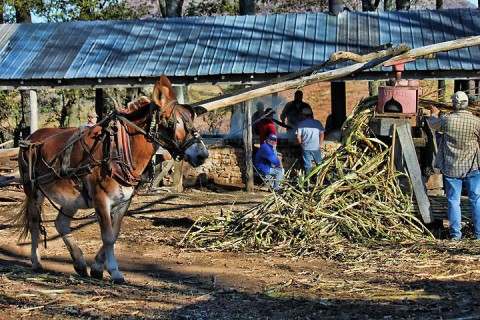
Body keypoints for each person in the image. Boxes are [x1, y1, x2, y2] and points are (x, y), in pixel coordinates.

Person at [428, 91, 480, 240]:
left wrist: (434, 113)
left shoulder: (447, 120)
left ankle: (456, 235)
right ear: (468, 105)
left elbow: (432, 125)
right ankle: (479, 235)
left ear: (454, 105)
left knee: (453, 201)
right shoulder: (476, 122)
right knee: (476, 200)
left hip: (452, 167)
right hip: (472, 166)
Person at [296, 108, 325, 174]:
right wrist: (320, 144)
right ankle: (320, 177)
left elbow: (298, 137)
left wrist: (302, 144)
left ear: (303, 115)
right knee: (320, 164)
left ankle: (308, 180)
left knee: (307, 165)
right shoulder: (317, 123)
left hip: (306, 147)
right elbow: (322, 134)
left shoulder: (301, 124)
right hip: (315, 147)